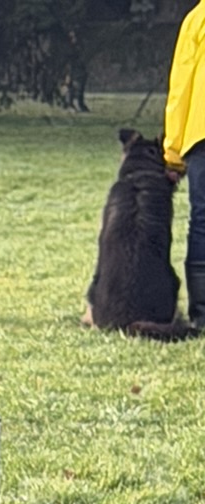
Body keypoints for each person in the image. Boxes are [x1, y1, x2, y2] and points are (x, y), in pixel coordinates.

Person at [165, 0, 205, 329]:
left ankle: (202, 314)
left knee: (203, 222)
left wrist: (173, 150)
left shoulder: (198, 18)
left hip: (201, 134)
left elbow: (181, 88)